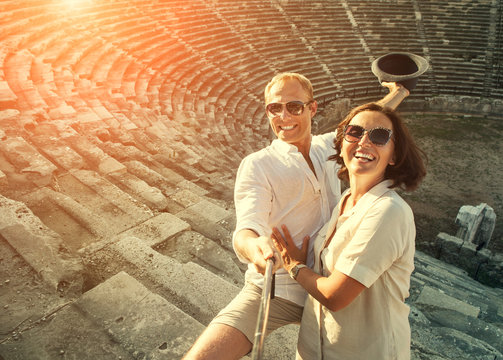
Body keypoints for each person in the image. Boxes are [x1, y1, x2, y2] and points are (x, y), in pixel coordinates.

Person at [183, 74, 410, 360]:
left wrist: (398, 94)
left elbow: (364, 127)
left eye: (294, 106)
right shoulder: (258, 165)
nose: (283, 116)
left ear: (312, 109)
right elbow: (246, 229)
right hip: (281, 288)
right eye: (274, 108)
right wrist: (257, 249)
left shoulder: (329, 147)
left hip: (329, 282)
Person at [272, 102, 427, 359]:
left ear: (395, 155)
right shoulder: (344, 200)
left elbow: (335, 295)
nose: (364, 141)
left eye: (379, 136)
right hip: (314, 347)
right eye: (354, 132)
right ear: (342, 144)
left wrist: (295, 266)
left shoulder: (388, 211)